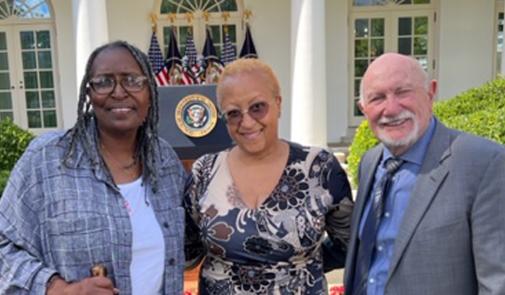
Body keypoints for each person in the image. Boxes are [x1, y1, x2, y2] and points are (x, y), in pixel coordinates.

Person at [0, 41, 186, 294]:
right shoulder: (48, 159)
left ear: (150, 91)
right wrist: (59, 289)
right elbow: (4, 245)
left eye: (133, 80)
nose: (119, 92)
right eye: (104, 82)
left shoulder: (165, 161)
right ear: (89, 92)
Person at [184, 58, 354, 294]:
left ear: (278, 103)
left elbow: (348, 243)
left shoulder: (319, 168)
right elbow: (186, 251)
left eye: (257, 107)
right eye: (233, 113)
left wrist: (300, 266)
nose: (247, 122)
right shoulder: (205, 171)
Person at [344, 53, 505, 294]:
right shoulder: (370, 162)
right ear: (363, 109)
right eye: (377, 98)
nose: (391, 108)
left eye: (403, 92)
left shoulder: (484, 163)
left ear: (431, 92)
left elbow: (497, 283)